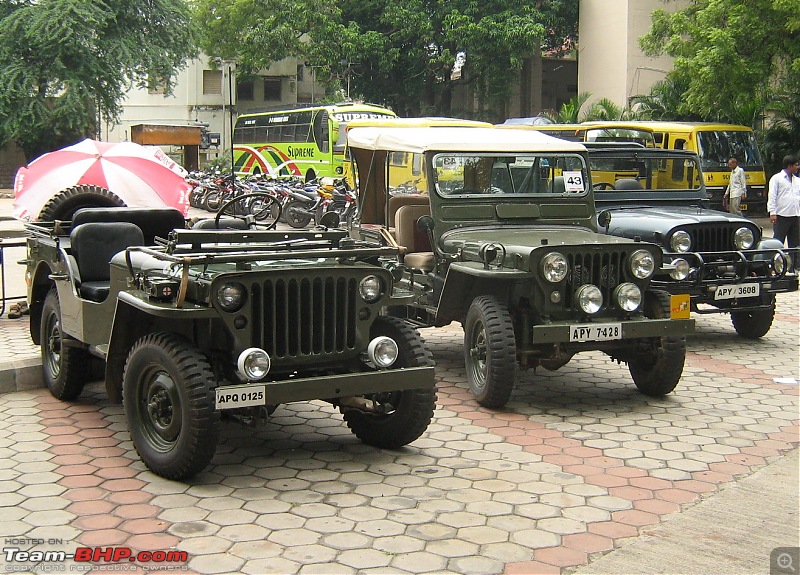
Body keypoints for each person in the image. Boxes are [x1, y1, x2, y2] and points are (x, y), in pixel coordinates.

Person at [767, 154, 800, 249]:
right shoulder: (777, 178)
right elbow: (772, 195)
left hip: (795, 215)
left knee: (795, 243)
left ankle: (795, 263)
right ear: (789, 166)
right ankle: (775, 261)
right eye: (796, 165)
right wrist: (772, 212)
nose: (797, 167)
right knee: (778, 241)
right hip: (781, 215)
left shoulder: (797, 180)